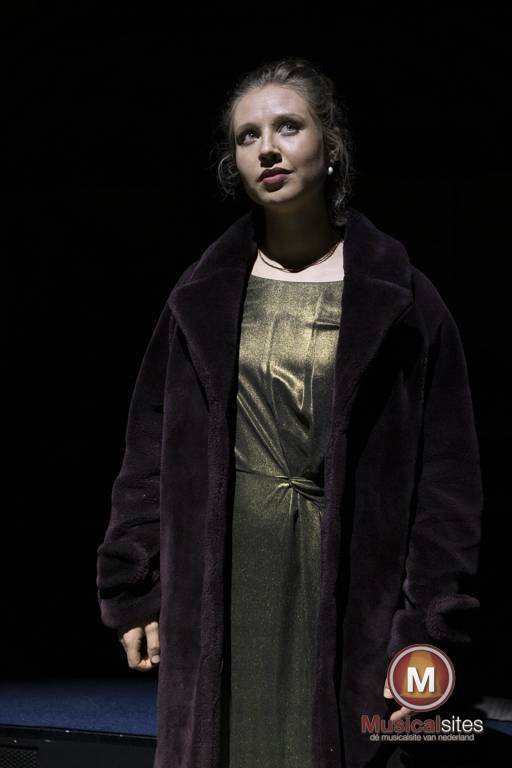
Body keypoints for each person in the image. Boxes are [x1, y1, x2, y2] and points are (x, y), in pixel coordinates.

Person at [96, 58, 483, 768]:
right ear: (233, 164)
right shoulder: (200, 297)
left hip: (352, 598)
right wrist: (135, 589)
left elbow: (446, 487)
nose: (268, 149)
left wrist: (428, 631)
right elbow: (148, 456)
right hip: (219, 588)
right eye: (248, 136)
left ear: (330, 145)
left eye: (288, 127)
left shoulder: (402, 299)